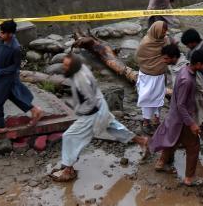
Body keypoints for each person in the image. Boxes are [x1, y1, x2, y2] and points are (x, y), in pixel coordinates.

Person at [52, 53, 148, 182]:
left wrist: (82, 116)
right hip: (101, 105)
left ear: (73, 67)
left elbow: (90, 102)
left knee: (70, 136)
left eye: (66, 66)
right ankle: (142, 141)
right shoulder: (81, 69)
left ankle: (68, 170)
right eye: (64, 65)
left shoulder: (81, 80)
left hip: (93, 111)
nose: (64, 68)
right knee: (115, 128)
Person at [150, 49, 203, 186]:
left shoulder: (184, 70)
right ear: (199, 64)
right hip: (183, 119)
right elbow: (181, 105)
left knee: (172, 140)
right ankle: (189, 178)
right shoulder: (187, 80)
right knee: (193, 147)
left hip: (174, 117)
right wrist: (192, 124)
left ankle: (161, 162)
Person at [0, 19, 43, 134]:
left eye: (2, 33)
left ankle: (0, 127)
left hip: (5, 78)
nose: (0, 35)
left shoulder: (15, 48)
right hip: (1, 77)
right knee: (14, 96)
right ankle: (35, 110)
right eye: (0, 32)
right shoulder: (2, 39)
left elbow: (15, 67)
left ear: (10, 34)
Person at [135, 16, 172, 134]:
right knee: (146, 98)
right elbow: (139, 58)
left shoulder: (165, 40)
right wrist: (151, 66)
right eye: (163, 31)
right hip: (147, 76)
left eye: (166, 31)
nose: (165, 33)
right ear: (156, 30)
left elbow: (169, 55)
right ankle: (146, 121)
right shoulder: (145, 44)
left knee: (159, 98)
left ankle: (156, 120)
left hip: (160, 76)